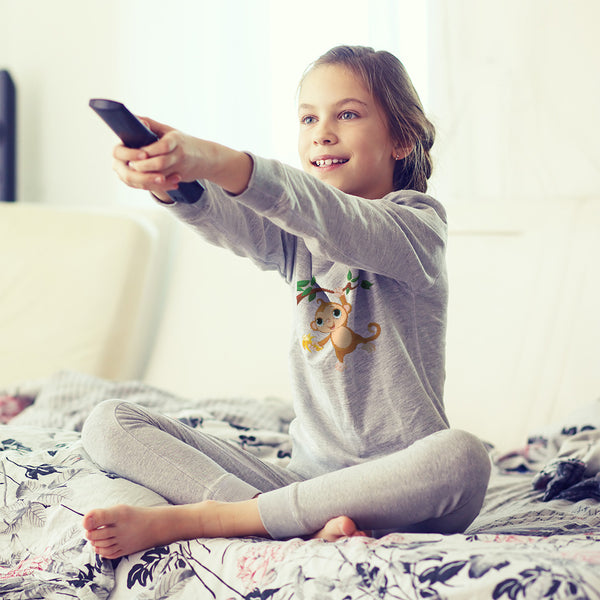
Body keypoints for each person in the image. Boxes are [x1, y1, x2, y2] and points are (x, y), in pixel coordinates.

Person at [81, 45, 491, 559]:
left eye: (347, 114)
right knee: (109, 422)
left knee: (464, 458)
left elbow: (328, 215)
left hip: (402, 486)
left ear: (402, 138)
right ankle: (257, 513)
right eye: (308, 118)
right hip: (301, 480)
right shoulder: (298, 241)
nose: (322, 131)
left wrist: (214, 158)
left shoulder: (416, 227)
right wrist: (174, 183)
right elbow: (227, 218)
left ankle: (220, 518)